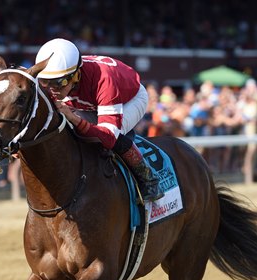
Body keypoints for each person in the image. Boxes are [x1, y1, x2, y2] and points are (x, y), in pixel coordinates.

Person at [35, 38, 164, 201]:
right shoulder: (61, 80)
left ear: (75, 76)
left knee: (110, 139)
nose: (52, 89)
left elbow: (108, 137)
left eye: (59, 83)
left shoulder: (104, 80)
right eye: (45, 82)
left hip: (129, 99)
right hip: (88, 103)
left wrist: (73, 118)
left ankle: (149, 181)